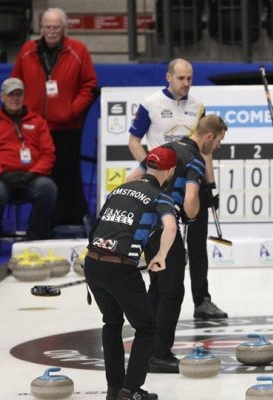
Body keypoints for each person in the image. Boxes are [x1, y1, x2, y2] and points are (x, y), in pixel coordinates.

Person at [128, 58, 228, 319]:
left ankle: (202, 301)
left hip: (193, 181)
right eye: (181, 78)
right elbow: (134, 140)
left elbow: (205, 148)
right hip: (163, 184)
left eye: (190, 78)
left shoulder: (198, 106)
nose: (186, 83)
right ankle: (158, 298)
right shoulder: (150, 104)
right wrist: (148, 169)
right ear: (168, 77)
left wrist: (212, 185)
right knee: (162, 242)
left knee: (198, 246)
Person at [128, 114, 228, 373]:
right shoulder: (194, 160)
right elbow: (190, 202)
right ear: (208, 136)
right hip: (167, 229)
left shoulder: (162, 149)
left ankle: (146, 348)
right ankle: (159, 354)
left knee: (157, 288)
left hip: (146, 227)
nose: (216, 148)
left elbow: (130, 181)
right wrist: (192, 215)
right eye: (218, 142)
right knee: (172, 292)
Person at [84, 146, 178, 400]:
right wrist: (160, 257)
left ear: (147, 166)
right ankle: (130, 391)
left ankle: (114, 390)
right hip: (120, 268)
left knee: (112, 323)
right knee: (147, 328)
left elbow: (96, 228)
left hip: (92, 263)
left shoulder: (119, 189)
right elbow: (170, 227)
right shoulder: (160, 196)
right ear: (170, 170)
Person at [11, 7, 98, 228]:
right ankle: (43, 222)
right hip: (35, 127)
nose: (51, 31)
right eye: (47, 27)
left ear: (64, 29)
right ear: (40, 28)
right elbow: (16, 83)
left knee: (68, 173)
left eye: (56, 27)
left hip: (68, 126)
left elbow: (89, 85)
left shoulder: (78, 50)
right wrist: (25, 114)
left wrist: (71, 110)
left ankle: (70, 219)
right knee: (39, 174)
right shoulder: (27, 50)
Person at [0, 77, 57, 256]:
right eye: (10, 95)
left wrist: (32, 174)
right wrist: (1, 174)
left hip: (30, 178)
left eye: (18, 94)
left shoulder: (38, 122)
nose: (15, 99)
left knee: (47, 188)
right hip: (0, 179)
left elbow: (49, 153)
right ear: (2, 97)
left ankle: (33, 239)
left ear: (24, 97)